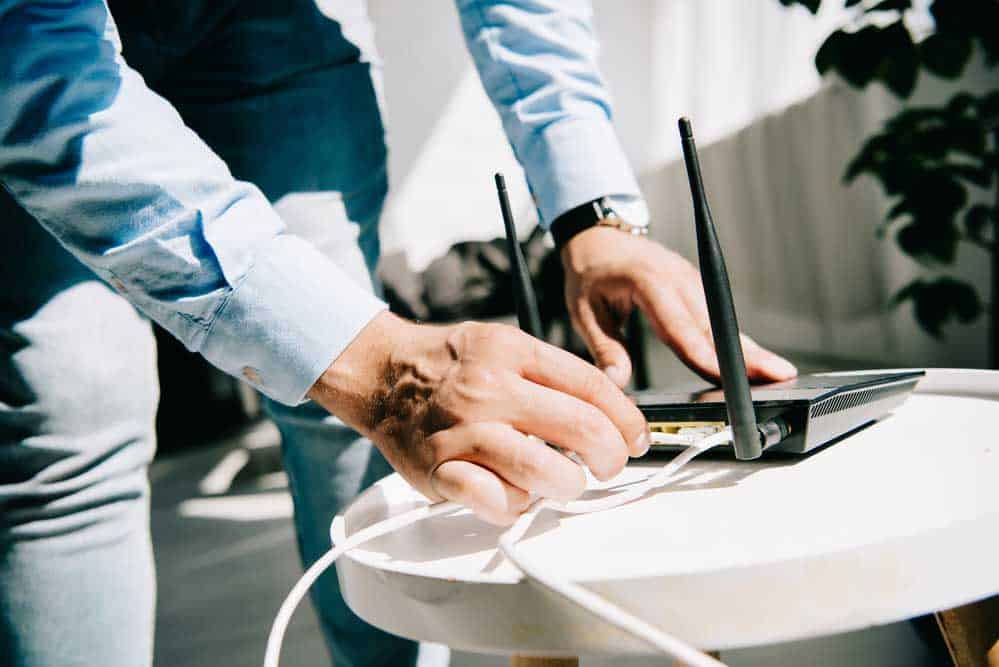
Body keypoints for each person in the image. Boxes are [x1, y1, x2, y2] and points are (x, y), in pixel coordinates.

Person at [0, 1, 797, 665]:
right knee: (67, 429)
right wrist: (378, 369)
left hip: (272, 27)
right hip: (36, 38)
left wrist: (589, 209)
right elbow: (37, 69)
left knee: (338, 422)